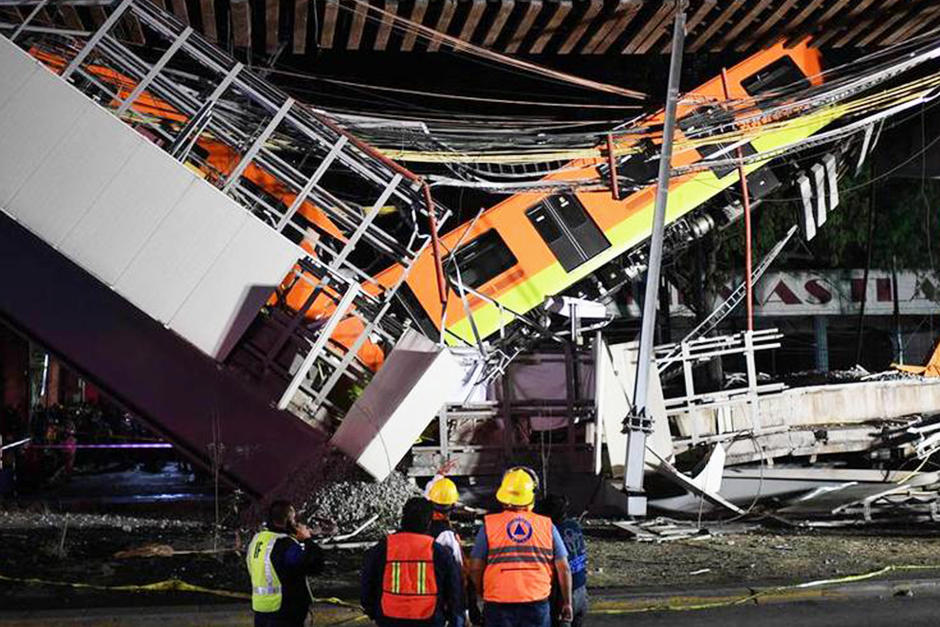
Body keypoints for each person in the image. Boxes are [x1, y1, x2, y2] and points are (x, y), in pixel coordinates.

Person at [467, 467, 573, 627]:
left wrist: (483, 592)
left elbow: (475, 568)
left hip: (498, 603)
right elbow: (564, 568)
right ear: (531, 496)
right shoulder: (546, 525)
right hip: (536, 602)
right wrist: (567, 602)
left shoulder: (489, 525)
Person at [361, 497, 465, 626]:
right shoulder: (440, 553)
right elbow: (454, 593)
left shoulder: (382, 548)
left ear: (403, 519)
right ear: (429, 523)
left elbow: (367, 584)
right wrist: (455, 620)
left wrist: (373, 612)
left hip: (389, 619)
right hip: (430, 619)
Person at [246, 500, 325, 627]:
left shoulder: (257, 539)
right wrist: (307, 540)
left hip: (261, 608)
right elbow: (315, 566)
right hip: (284, 610)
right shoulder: (285, 545)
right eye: (293, 519)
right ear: (288, 521)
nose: (295, 523)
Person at [426, 475, 482, 626]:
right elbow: (459, 571)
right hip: (443, 597)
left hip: (426, 595)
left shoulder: (423, 525)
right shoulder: (446, 535)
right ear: (452, 506)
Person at [538, 495, 588, 627]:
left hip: (564, 592)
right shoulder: (574, 525)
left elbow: (563, 569)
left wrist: (566, 602)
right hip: (581, 588)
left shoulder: (552, 532)